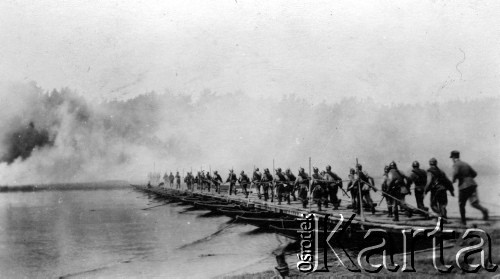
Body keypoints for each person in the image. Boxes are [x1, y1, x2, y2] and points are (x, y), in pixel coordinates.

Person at [450, 150, 489, 225]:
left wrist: (454, 180)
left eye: (452, 158)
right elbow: (475, 173)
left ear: (453, 157)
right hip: (472, 184)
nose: (452, 159)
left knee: (461, 204)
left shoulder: (456, 164)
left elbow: (455, 173)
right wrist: (469, 178)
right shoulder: (465, 164)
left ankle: (463, 221)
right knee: (474, 203)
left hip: (464, 186)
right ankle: (484, 210)